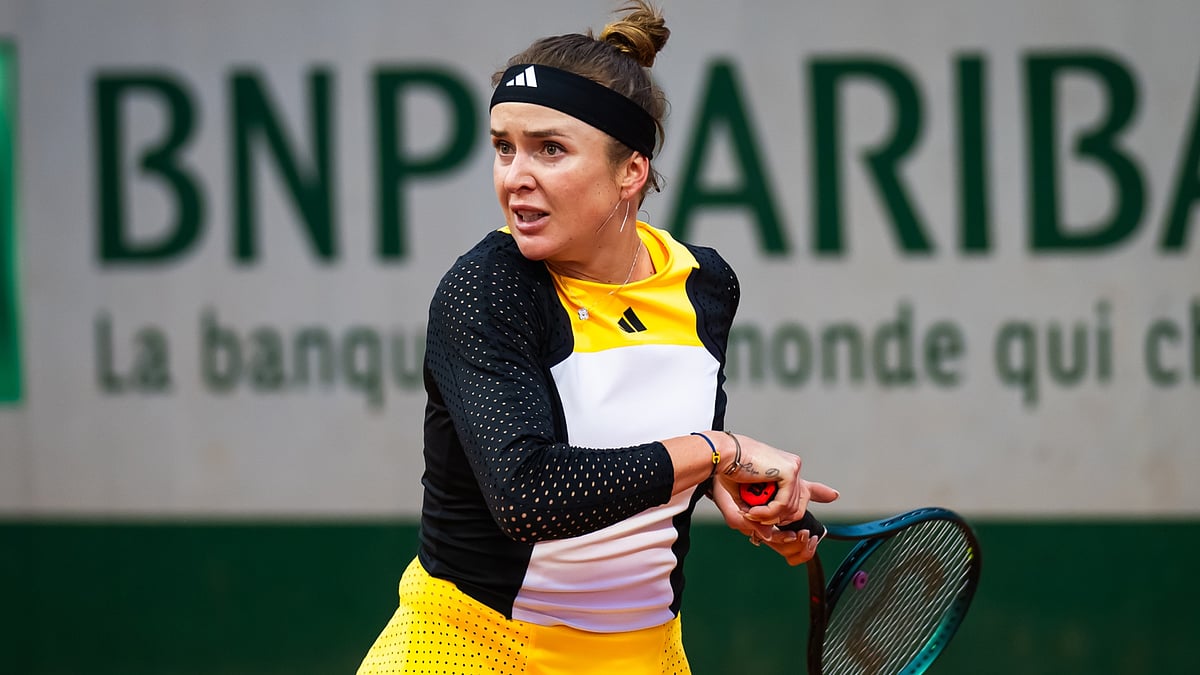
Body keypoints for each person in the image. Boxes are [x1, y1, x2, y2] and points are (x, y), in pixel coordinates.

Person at [357, 2, 838, 673]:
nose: (515, 175)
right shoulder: (488, 288)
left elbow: (647, 451)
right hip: (471, 649)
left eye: (549, 149)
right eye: (504, 146)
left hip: (646, 654)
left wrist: (729, 481)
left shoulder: (704, 285)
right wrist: (716, 449)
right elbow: (529, 495)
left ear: (630, 172)